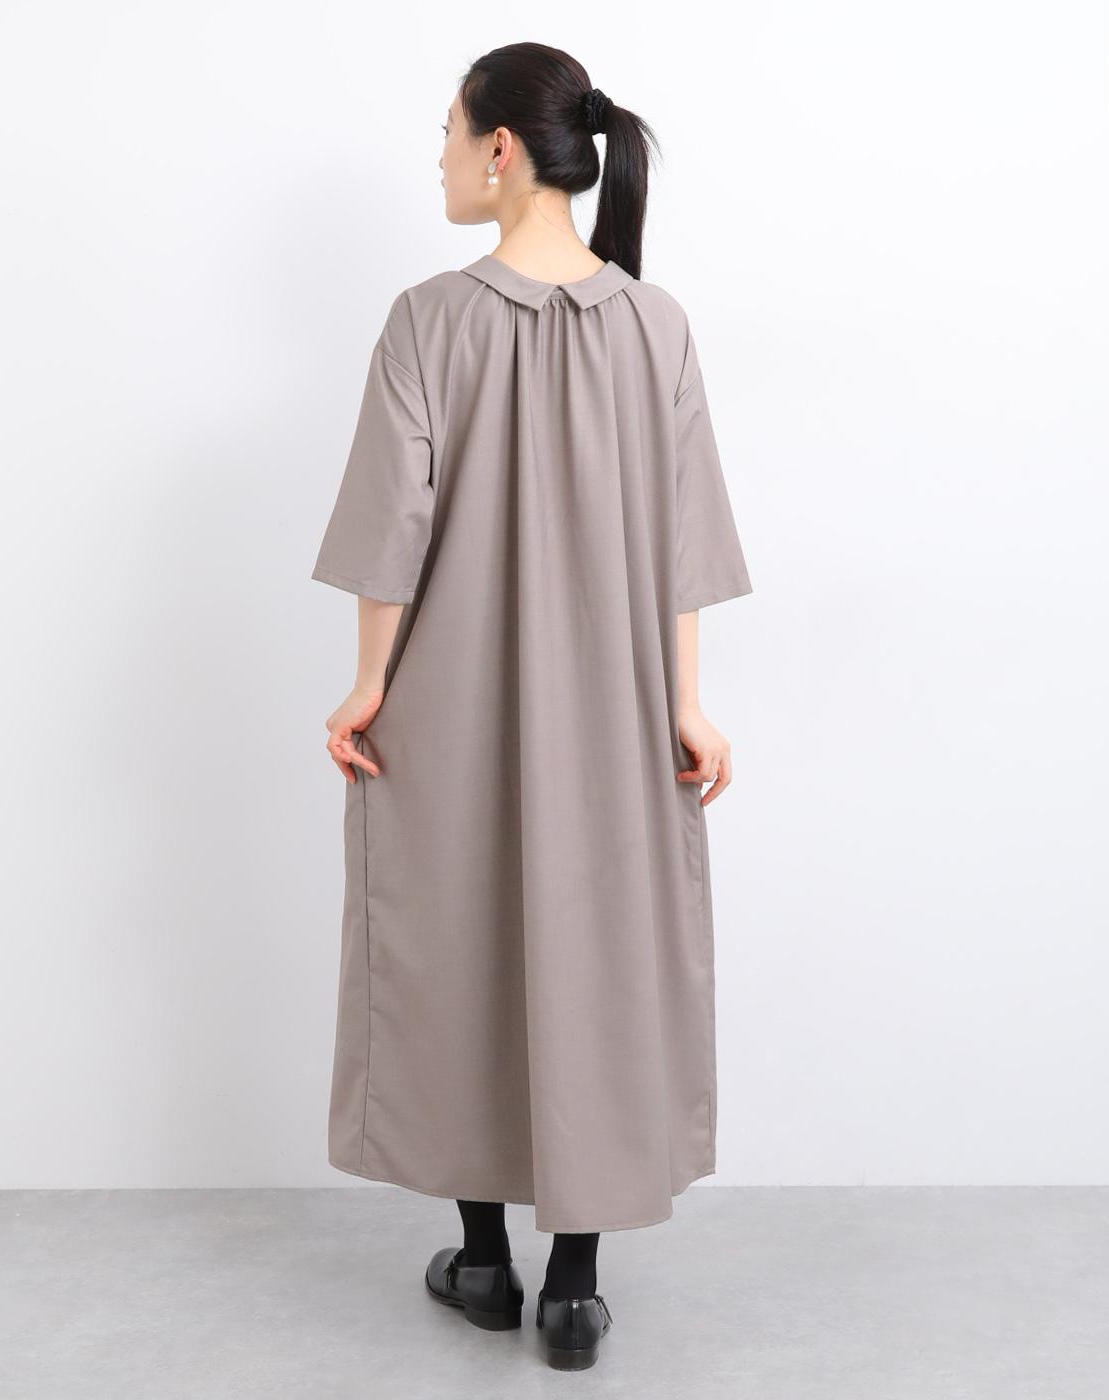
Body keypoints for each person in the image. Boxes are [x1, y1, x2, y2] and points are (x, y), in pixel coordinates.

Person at [311, 41, 752, 1372]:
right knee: (602, 959)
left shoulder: (427, 320)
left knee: (458, 948)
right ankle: (576, 1286)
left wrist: (370, 687)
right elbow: (684, 547)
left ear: (500, 148)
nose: (440, 158)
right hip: (618, 710)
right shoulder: (656, 324)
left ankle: (484, 1263)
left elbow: (390, 538)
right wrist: (687, 705)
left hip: (451, 703)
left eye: (449, 132)